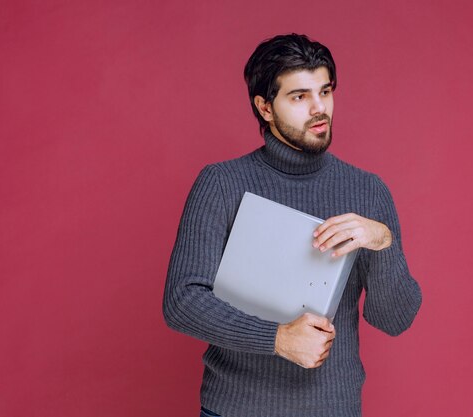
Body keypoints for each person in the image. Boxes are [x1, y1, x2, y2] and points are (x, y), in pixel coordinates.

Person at [163, 33, 422, 417]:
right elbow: (181, 302)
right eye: (299, 97)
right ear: (265, 108)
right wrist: (277, 339)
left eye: (326, 91)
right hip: (235, 410)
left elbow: (395, 320)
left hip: (333, 410)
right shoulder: (222, 183)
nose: (320, 108)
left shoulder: (367, 190)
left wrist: (383, 242)